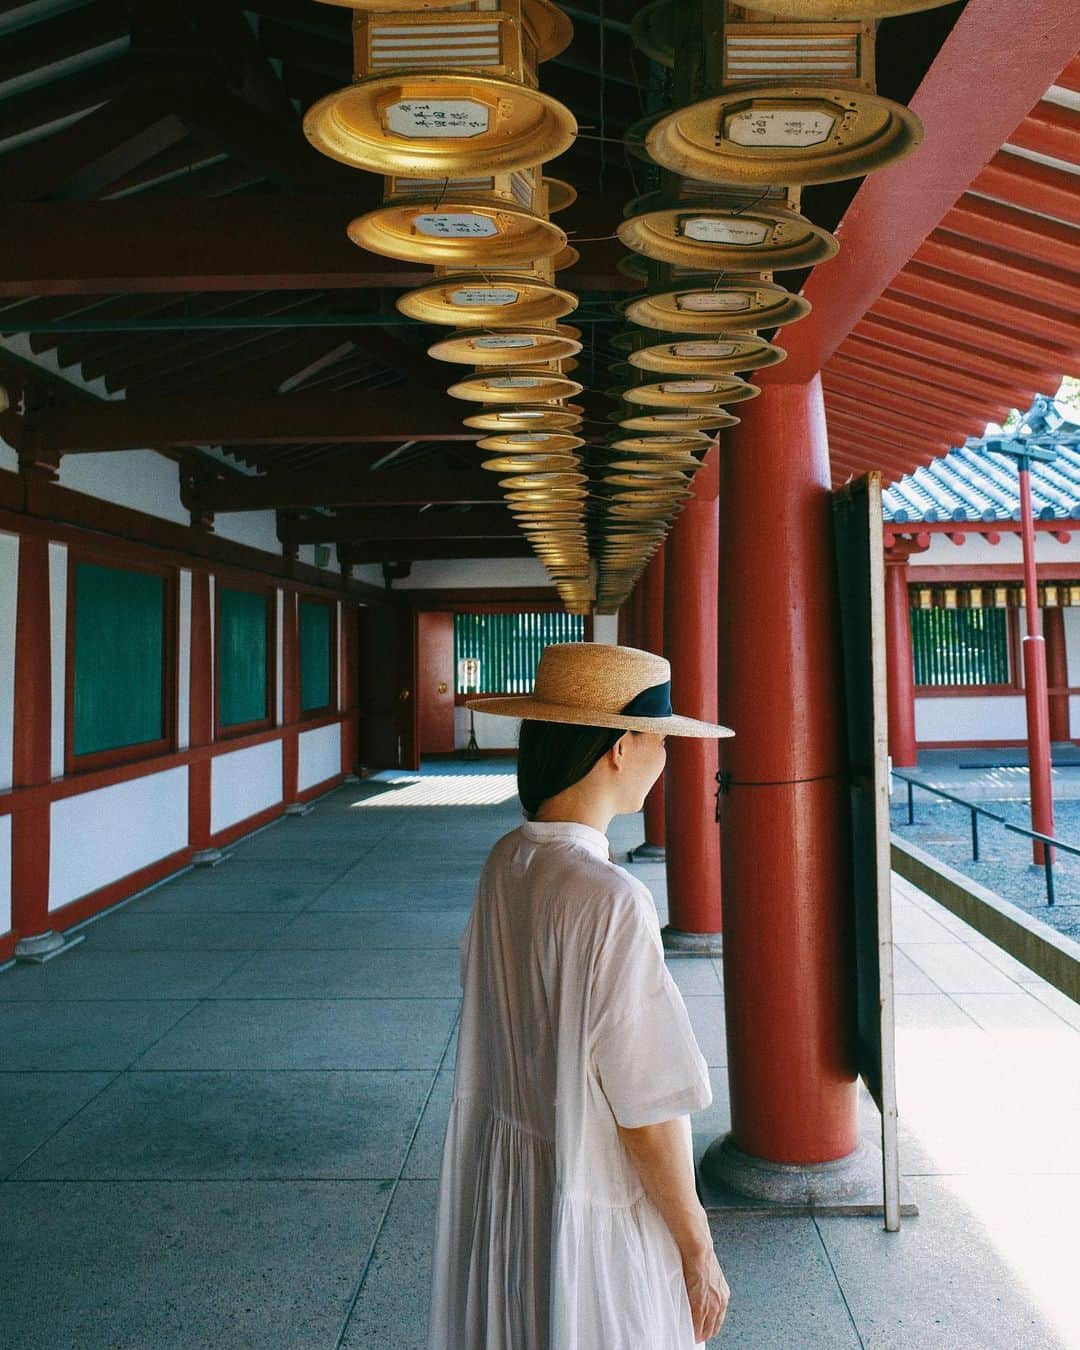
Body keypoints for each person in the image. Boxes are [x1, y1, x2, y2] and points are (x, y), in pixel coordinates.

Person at [426, 642, 733, 1349]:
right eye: (660, 738)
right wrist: (697, 1245)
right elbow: (645, 1107)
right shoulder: (611, 898)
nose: (666, 756)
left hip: (517, 1190)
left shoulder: (509, 859)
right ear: (622, 747)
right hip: (591, 1194)